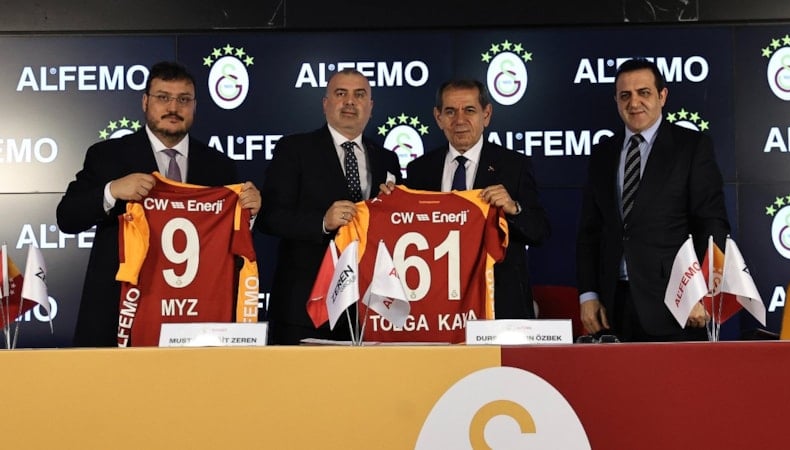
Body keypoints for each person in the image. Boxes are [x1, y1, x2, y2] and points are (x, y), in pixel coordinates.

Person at [57, 61, 262, 347]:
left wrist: (249, 212)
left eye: (184, 99)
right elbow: (67, 217)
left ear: (195, 106)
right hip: (121, 311)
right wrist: (113, 191)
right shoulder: (108, 156)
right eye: (163, 97)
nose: (173, 108)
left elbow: (230, 239)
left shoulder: (218, 166)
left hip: (195, 313)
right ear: (145, 102)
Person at [576, 58, 730, 342]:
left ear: (662, 96)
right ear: (616, 101)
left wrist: (703, 291)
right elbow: (590, 232)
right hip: (613, 308)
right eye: (625, 95)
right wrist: (588, 294)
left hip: (677, 305)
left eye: (643, 92)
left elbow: (712, 224)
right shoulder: (602, 154)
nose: (634, 102)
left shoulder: (692, 147)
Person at [255, 68, 402, 345]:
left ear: (370, 107)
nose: (350, 102)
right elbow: (269, 217)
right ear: (325, 103)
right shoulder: (294, 149)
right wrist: (322, 222)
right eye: (341, 93)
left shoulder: (387, 159)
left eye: (359, 95)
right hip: (306, 307)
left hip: (369, 307)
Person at [401, 78, 551, 320]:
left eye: (469, 110)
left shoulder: (514, 166)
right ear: (438, 117)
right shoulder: (420, 170)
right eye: (450, 111)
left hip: (498, 303)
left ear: (486, 115)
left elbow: (539, 232)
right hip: (437, 304)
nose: (459, 120)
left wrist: (514, 208)